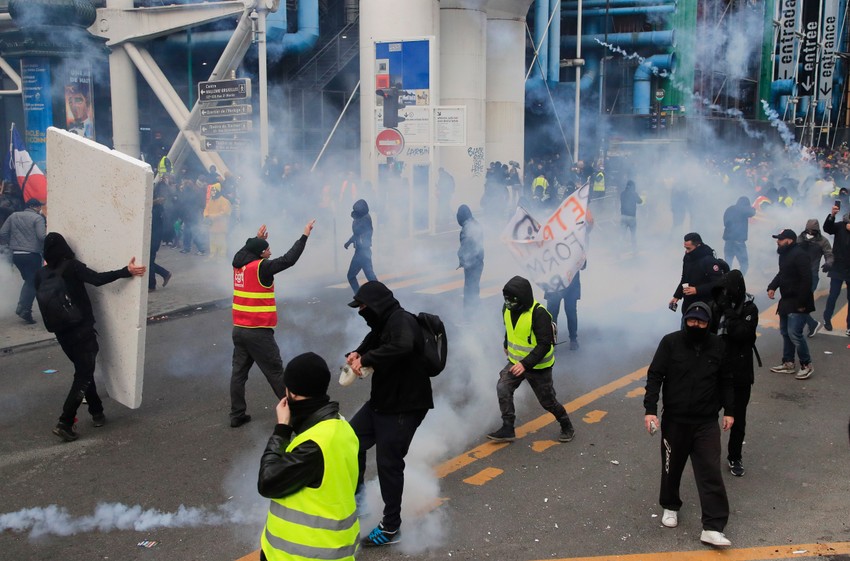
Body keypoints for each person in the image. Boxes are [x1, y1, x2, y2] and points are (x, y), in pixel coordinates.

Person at [34, 233, 146, 441]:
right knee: (84, 374)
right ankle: (65, 422)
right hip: (81, 330)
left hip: (62, 333)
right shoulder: (72, 266)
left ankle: (96, 411)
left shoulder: (40, 274)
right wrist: (126, 271)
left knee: (84, 370)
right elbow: (97, 279)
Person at [345, 281, 433, 546]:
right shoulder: (382, 322)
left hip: (404, 406)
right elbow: (372, 340)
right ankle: (358, 499)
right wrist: (357, 353)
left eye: (362, 307)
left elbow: (403, 346)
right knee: (350, 442)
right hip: (381, 402)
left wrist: (369, 360)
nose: (361, 311)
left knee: (388, 464)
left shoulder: (402, 321)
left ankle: (391, 528)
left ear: (376, 304)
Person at [643, 302, 735, 548]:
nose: (696, 325)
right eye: (691, 320)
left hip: (706, 422)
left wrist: (730, 411)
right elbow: (655, 375)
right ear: (685, 320)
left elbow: (726, 379)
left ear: (709, 323)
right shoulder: (670, 342)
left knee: (710, 472)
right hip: (675, 420)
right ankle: (670, 506)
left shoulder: (718, 345)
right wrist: (650, 410)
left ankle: (713, 527)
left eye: (701, 322)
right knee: (671, 467)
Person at [257, 352, 360, 561]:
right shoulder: (341, 426)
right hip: (336, 550)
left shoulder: (313, 445)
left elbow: (267, 482)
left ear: (292, 394)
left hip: (301, 555)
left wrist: (281, 430)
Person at [230, 221, 315, 428]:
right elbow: (289, 259)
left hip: (239, 330)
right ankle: (296, 414)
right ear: (259, 254)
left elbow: (246, 250)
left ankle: (236, 414)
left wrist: (257, 238)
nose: (270, 250)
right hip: (258, 332)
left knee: (238, 374)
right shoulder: (263, 267)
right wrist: (304, 236)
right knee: (276, 373)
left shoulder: (239, 265)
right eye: (266, 248)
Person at [487, 276, 576, 443]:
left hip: (538, 366)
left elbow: (544, 344)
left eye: (512, 300)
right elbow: (509, 327)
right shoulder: (507, 308)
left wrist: (525, 364)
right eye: (506, 299)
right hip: (516, 362)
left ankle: (566, 425)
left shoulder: (539, 313)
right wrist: (506, 343)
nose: (508, 303)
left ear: (523, 298)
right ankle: (508, 427)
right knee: (503, 387)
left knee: (547, 402)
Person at [711, 271, 758, 477]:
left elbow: (742, 333)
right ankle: (706, 454)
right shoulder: (716, 306)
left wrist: (728, 311)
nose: (725, 295)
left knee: (737, 418)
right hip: (716, 372)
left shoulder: (749, 308)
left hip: (739, 373)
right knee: (707, 415)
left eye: (728, 291)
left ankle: (734, 456)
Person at [767, 229, 815, 380]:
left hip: (798, 301)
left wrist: (801, 303)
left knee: (795, 334)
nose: (778, 241)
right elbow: (782, 274)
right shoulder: (785, 254)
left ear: (789, 240)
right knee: (785, 333)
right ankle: (788, 363)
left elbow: (807, 280)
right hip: (786, 301)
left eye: (780, 239)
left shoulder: (800, 254)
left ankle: (806, 365)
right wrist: (772, 286)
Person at [0, 198, 46, 324]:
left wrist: (11, 244)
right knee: (32, 282)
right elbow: (42, 236)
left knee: (29, 281)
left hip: (17, 255)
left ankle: (25, 307)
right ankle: (24, 309)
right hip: (32, 255)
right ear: (34, 207)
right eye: (38, 207)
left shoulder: (14, 216)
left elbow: (3, 233)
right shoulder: (38, 218)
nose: (39, 209)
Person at [669, 233, 725, 315]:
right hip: (688, 303)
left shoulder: (709, 260)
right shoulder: (687, 257)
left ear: (698, 246)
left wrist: (697, 290)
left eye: (689, 248)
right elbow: (684, 278)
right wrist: (677, 296)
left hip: (705, 303)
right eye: (685, 248)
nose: (686, 251)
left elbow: (718, 283)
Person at [797, 219, 833, 336]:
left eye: (813, 230)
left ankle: (808, 324)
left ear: (817, 230)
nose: (810, 232)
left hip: (811, 276)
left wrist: (829, 263)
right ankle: (810, 324)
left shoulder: (823, 241)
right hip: (798, 274)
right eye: (808, 230)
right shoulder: (800, 238)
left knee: (802, 302)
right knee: (798, 302)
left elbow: (829, 254)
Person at [822, 205, 850, 335]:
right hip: (838, 267)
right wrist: (832, 216)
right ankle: (827, 319)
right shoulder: (840, 226)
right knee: (833, 295)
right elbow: (827, 228)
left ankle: (849, 325)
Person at [344, 199, 377, 293]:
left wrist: (355, 219)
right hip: (361, 251)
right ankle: (361, 296)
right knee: (370, 277)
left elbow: (357, 232)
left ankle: (378, 295)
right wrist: (349, 242)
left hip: (363, 252)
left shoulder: (365, 219)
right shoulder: (362, 218)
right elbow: (356, 234)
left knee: (367, 277)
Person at [456, 204, 484, 314]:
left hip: (472, 264)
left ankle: (470, 316)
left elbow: (466, 247)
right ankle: (475, 314)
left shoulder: (467, 228)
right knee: (474, 289)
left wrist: (462, 259)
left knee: (469, 291)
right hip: (478, 262)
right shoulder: (475, 224)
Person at [544, 271, 581, 350]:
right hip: (558, 284)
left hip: (561, 283)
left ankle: (571, 340)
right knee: (554, 314)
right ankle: (571, 340)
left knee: (567, 313)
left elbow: (582, 264)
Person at [722, 196, 755, 276]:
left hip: (728, 242)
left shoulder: (729, 209)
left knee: (727, 265)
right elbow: (752, 212)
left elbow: (725, 222)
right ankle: (737, 281)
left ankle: (725, 281)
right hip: (738, 242)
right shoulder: (743, 210)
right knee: (744, 264)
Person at [149, 180, 172, 292]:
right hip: (152, 236)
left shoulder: (158, 209)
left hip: (154, 237)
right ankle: (165, 273)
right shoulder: (156, 207)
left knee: (149, 260)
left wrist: (155, 202)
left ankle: (151, 285)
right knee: (148, 260)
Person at [203, 183, 232, 259]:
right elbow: (206, 209)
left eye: (214, 190)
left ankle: (221, 259)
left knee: (221, 243)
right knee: (212, 243)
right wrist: (206, 215)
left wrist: (211, 216)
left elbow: (224, 213)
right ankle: (212, 256)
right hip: (212, 226)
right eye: (211, 191)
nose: (212, 192)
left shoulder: (224, 201)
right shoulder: (211, 200)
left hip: (221, 226)